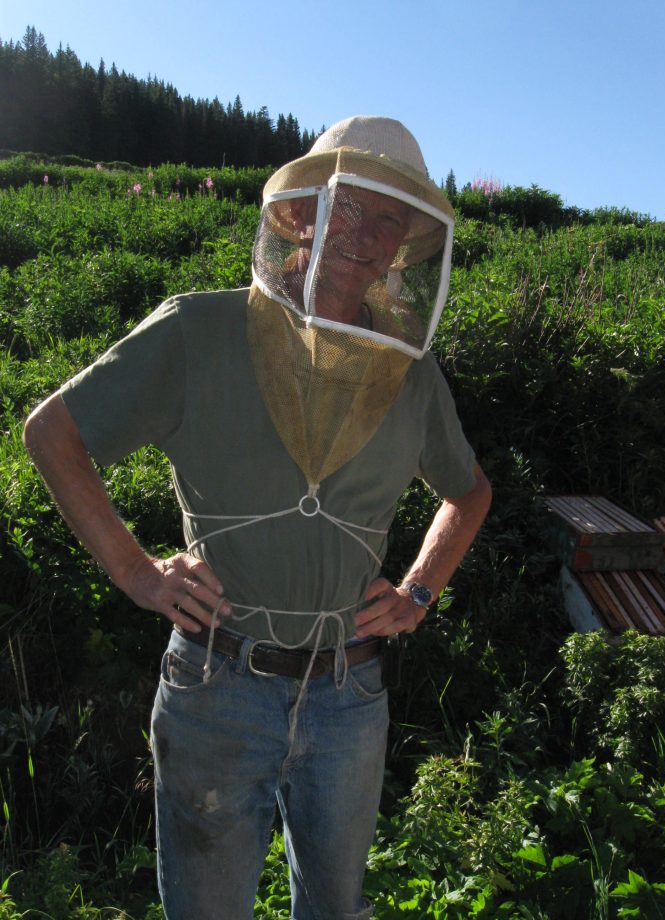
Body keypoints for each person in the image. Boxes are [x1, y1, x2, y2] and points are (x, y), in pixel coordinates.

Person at [23, 115, 492, 920]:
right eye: (351, 204)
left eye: (389, 220)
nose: (365, 234)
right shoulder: (198, 330)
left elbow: (470, 490)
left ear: (404, 249)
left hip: (349, 694)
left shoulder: (409, 373)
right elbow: (52, 433)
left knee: (335, 908)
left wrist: (419, 590)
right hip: (218, 687)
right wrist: (136, 571)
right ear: (303, 211)